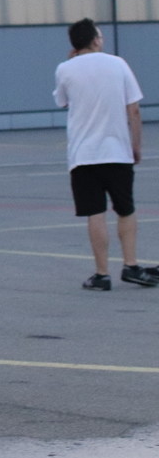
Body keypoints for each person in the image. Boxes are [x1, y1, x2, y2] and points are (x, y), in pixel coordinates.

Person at [53, 19, 156, 290]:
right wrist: (135, 145)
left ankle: (102, 274)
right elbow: (133, 110)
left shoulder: (65, 69)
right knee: (125, 209)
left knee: (94, 212)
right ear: (96, 39)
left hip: (83, 155)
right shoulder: (118, 64)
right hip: (117, 151)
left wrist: (71, 63)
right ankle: (131, 265)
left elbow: (62, 101)